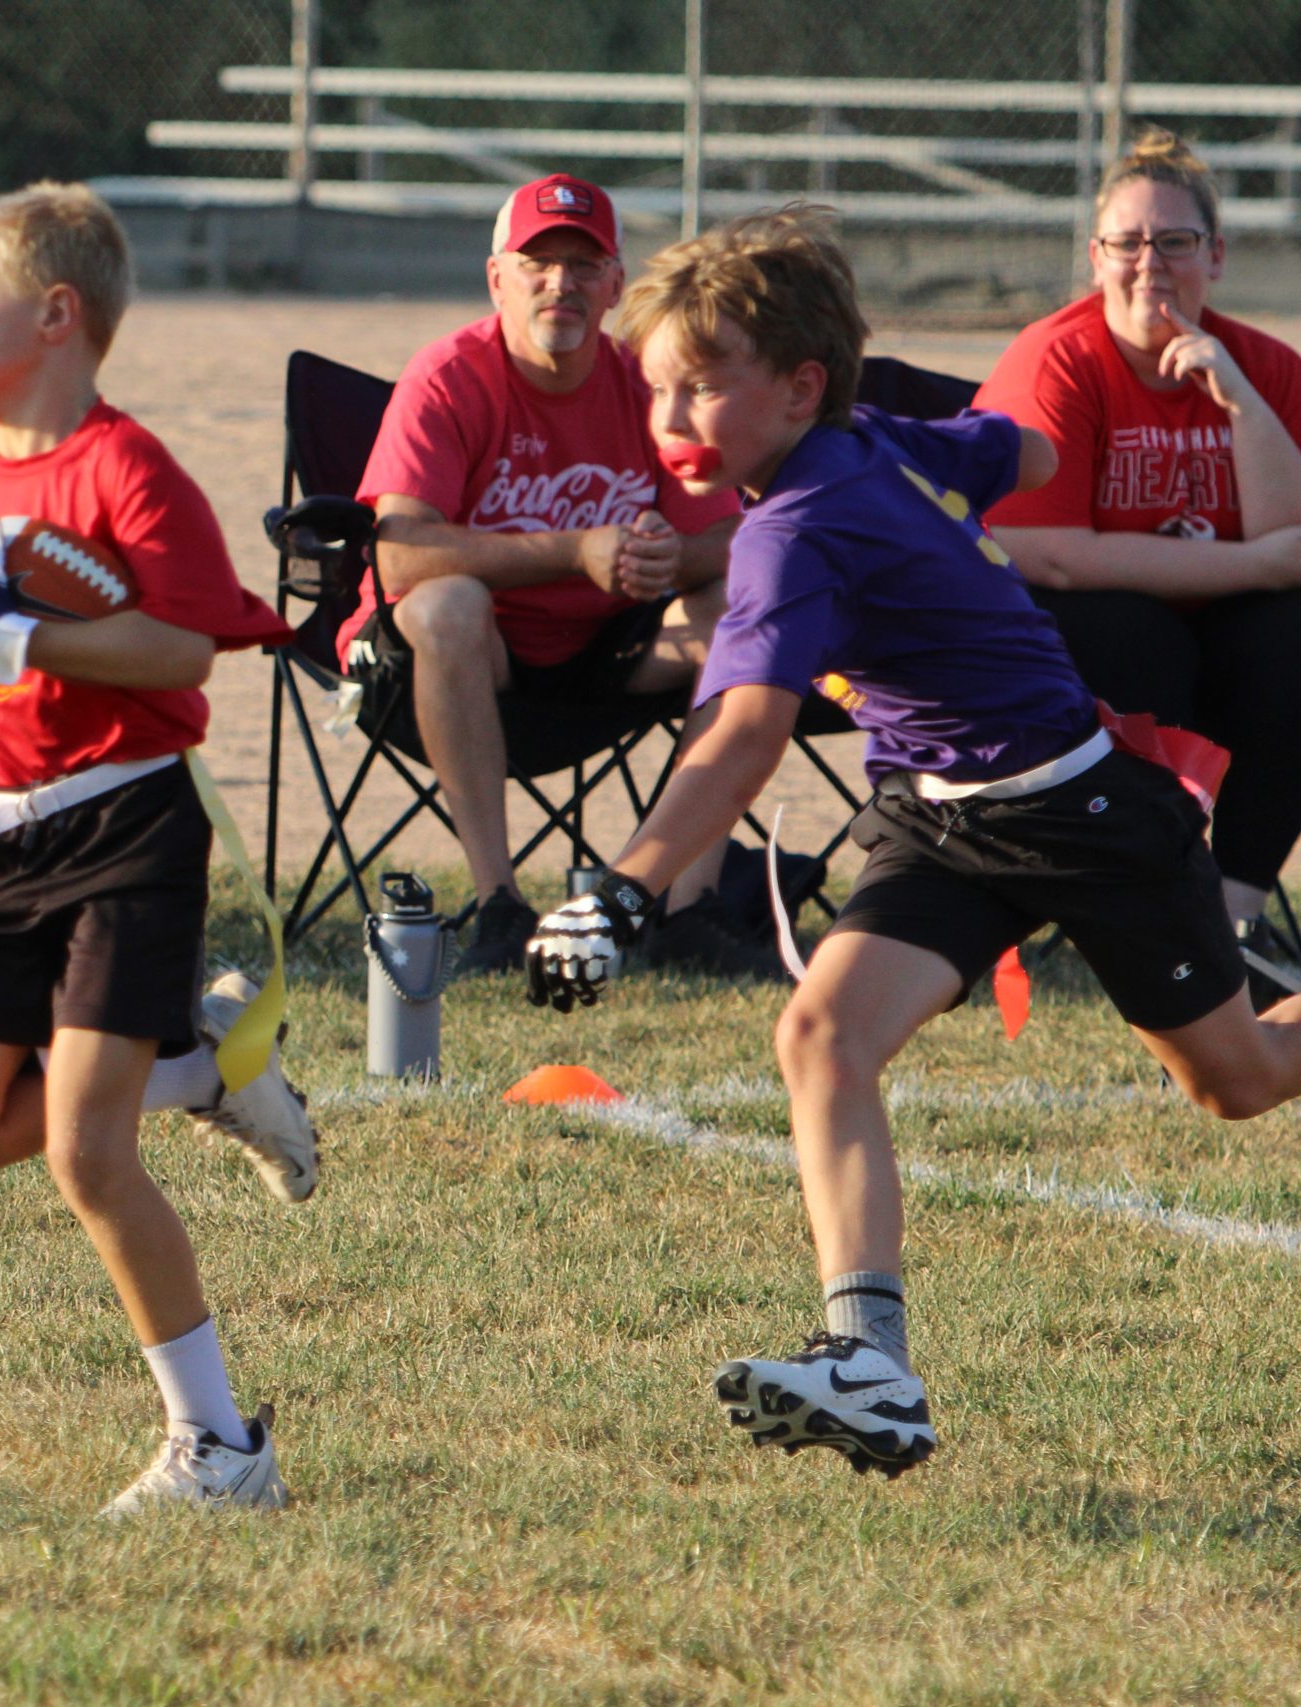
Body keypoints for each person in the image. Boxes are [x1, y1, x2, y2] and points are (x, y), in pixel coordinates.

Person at [521, 204, 1301, 1479]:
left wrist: (621, 891)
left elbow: (741, 737)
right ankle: (869, 1365)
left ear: (800, 388)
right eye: (656, 388)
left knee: (1239, 1083)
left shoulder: (790, 531)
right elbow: (1024, 448)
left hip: (1078, 812)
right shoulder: (871, 441)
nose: (667, 418)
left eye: (701, 387)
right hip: (939, 815)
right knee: (820, 1035)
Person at [0, 183, 315, 1515]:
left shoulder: (129, 468)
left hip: (126, 823)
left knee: (86, 1154)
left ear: (55, 316)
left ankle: (220, 1446)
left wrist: (44, 638)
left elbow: (182, 650)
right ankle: (202, 1065)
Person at [347, 173, 775, 981]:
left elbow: (735, 535)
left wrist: (672, 560)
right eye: (538, 263)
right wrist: (575, 550)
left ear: (616, 285)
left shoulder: (648, 381)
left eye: (584, 265)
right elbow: (397, 555)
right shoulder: (447, 377)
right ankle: (500, 904)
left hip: (606, 648)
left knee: (741, 604)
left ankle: (687, 907)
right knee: (445, 605)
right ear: (497, 279)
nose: (560, 284)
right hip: (463, 665)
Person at [975, 130, 1301, 995]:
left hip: (1216, 639)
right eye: (1127, 242)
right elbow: (1047, 553)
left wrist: (1239, 401)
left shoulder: (1263, 366)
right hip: (1075, 643)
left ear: (1216, 256)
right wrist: (1254, 568)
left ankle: (1232, 917)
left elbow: (1293, 544)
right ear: (1097, 258)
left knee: (1293, 638)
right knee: (1135, 633)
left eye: (1175, 241)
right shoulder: (1058, 359)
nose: (1149, 263)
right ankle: (1154, 903)